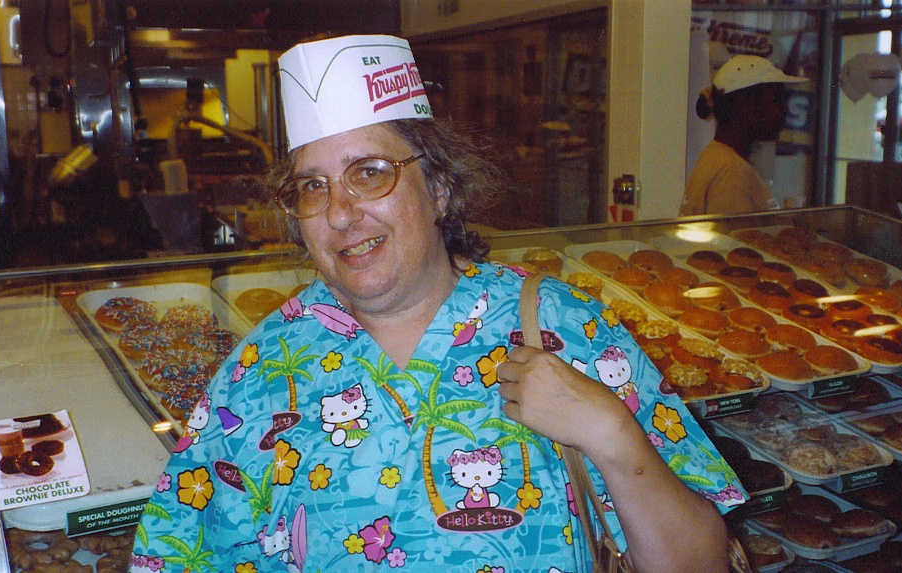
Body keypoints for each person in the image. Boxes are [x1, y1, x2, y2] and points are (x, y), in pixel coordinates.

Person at [130, 35, 745, 573]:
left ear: (441, 189)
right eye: (312, 186)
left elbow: (700, 562)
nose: (340, 213)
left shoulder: (562, 325)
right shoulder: (257, 377)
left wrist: (612, 434)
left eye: (369, 172)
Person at [680, 55, 807, 217]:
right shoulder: (732, 174)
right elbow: (734, 242)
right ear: (746, 104)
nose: (785, 110)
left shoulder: (719, 157)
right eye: (776, 100)